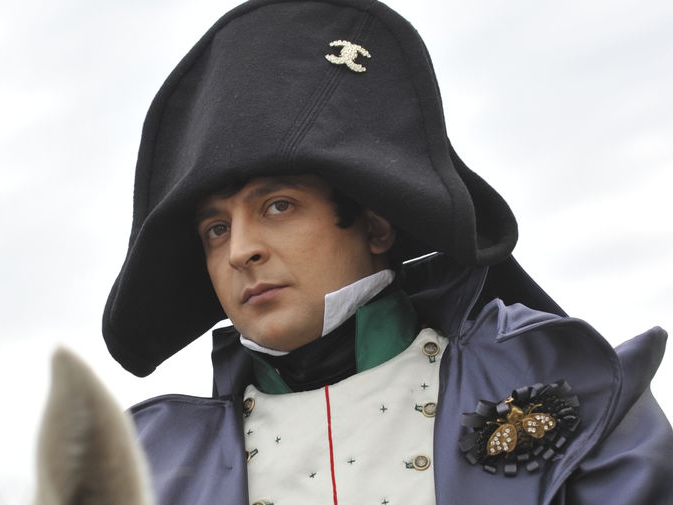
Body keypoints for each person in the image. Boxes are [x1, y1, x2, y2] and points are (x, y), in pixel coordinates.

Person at [101, 1, 673, 504]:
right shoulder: (143, 472)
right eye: (216, 230)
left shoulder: (576, 387)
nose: (241, 251)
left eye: (277, 206)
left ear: (375, 226)